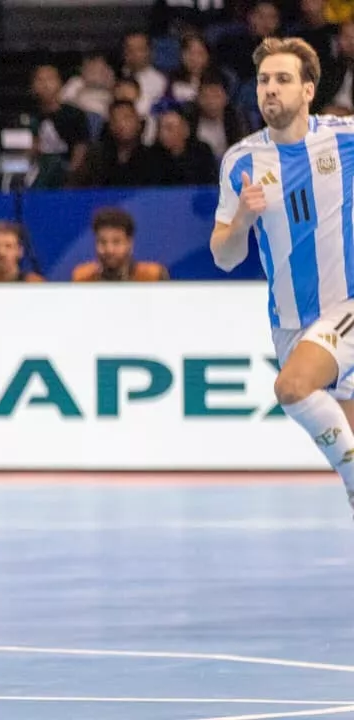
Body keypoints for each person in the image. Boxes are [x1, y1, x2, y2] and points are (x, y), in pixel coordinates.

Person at [210, 37, 354, 513]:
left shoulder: (344, 137)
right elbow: (224, 256)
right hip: (291, 323)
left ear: (308, 90)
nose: (270, 89)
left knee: (290, 388)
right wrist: (243, 221)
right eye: (263, 80)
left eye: (283, 80)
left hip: (347, 310)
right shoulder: (241, 162)